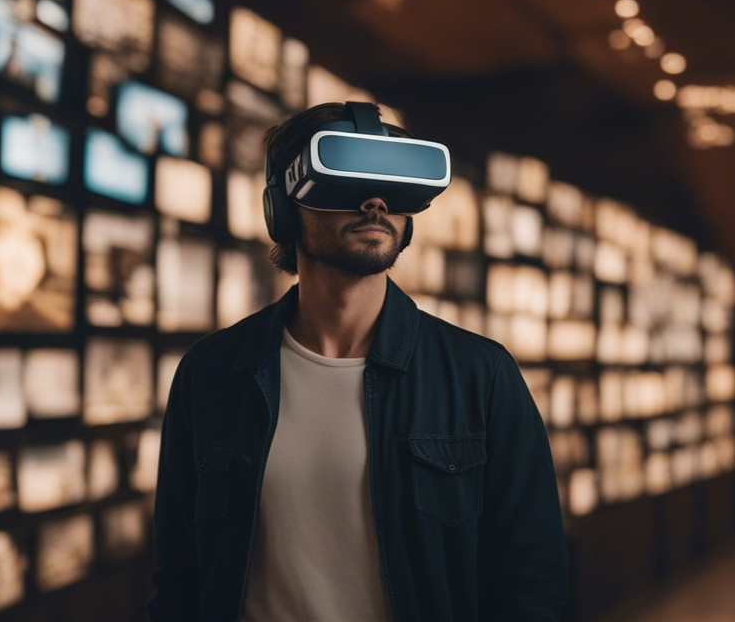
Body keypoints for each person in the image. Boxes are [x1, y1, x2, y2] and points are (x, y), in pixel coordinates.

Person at [149, 102, 569, 621]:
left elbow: (534, 582)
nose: (375, 201)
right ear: (282, 207)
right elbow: (177, 575)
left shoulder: (479, 376)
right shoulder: (211, 373)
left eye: (395, 185)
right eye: (344, 179)